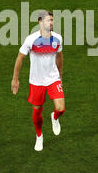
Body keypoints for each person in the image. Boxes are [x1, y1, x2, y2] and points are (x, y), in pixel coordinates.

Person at [11, 11, 65, 151]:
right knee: (37, 112)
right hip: (36, 81)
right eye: (48, 20)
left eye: (52, 20)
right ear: (40, 22)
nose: (51, 23)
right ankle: (39, 136)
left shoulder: (58, 38)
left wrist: (60, 73)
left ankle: (55, 117)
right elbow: (20, 58)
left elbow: (59, 56)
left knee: (61, 108)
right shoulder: (31, 39)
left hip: (53, 78)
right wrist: (15, 79)